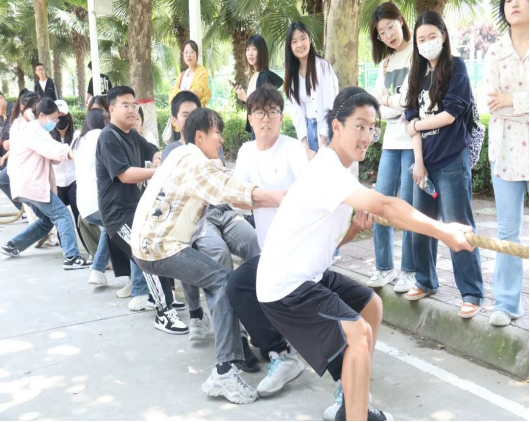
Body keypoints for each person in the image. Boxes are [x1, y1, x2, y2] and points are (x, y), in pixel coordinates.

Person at [256, 86, 475, 422]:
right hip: (285, 286)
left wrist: (355, 230)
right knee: (357, 333)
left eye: (372, 128)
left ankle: (350, 402)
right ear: (337, 126)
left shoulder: (339, 172)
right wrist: (444, 231)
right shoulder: (326, 170)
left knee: (371, 306)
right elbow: (387, 205)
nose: (367, 136)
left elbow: (329, 243)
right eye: (359, 126)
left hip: (308, 274)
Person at [131, 107, 286, 405]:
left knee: (213, 276)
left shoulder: (180, 154)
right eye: (216, 132)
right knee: (223, 281)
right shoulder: (196, 163)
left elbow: (222, 179)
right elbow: (228, 188)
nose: (221, 138)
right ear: (199, 136)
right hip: (162, 247)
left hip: (149, 246)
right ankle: (225, 370)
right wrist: (277, 197)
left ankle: (225, 348)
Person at [162, 92, 262, 369]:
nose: (193, 121)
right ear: (176, 122)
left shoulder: (211, 145)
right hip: (200, 220)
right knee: (219, 256)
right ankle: (237, 338)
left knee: (255, 245)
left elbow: (225, 179)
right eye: (186, 115)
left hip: (225, 212)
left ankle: (262, 324)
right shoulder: (175, 152)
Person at [227, 85, 308, 397]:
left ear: (281, 117)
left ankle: (281, 352)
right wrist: (272, 197)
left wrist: (255, 196)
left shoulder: (292, 149)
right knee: (241, 287)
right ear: (250, 117)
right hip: (270, 249)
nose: (266, 119)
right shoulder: (247, 152)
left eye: (273, 112)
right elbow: (236, 199)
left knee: (243, 285)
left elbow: (303, 195)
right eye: (259, 112)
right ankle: (278, 350)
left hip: (296, 247)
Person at [404, 12, 484, 319]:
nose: (426, 43)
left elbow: (450, 115)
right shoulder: (417, 75)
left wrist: (416, 125)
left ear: (443, 35)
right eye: (421, 39)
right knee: (421, 225)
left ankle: (471, 293)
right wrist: (418, 163)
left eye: (431, 37)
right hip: (424, 165)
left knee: (458, 226)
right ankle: (425, 281)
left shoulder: (456, 67)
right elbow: (410, 122)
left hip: (451, 161)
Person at [96, 86, 187, 335]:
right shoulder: (108, 137)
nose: (131, 110)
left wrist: (157, 159)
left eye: (134, 105)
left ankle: (164, 298)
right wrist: (158, 171)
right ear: (111, 109)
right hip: (117, 215)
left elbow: (153, 150)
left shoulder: (132, 135)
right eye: (125, 105)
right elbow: (125, 175)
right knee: (145, 253)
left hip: (137, 210)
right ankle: (164, 313)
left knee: (158, 249)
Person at [0, 98, 92, 270]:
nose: (56, 122)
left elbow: (51, 155)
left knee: (46, 220)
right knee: (62, 214)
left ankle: (13, 245)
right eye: (53, 118)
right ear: (41, 115)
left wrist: (66, 153)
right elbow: (51, 148)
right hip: (32, 184)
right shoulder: (35, 130)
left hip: (24, 185)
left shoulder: (35, 130)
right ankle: (71, 257)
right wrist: (72, 153)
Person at [484, 0, 529, 327]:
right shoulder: (494, 51)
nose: (512, 3)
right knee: (507, 231)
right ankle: (506, 303)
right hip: (505, 152)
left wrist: (513, 100)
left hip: (514, 138)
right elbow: (492, 103)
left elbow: (504, 102)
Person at [367, 3, 416, 293]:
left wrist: (390, 102)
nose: (388, 35)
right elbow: (378, 108)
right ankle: (384, 267)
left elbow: (411, 100)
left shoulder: (418, 53)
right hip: (390, 143)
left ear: (401, 20)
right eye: (382, 33)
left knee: (408, 207)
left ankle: (410, 271)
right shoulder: (385, 64)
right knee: (380, 203)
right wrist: (392, 105)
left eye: (390, 27)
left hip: (413, 142)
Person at [284, 22, 339, 159]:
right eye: (294, 41)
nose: (299, 45)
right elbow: (296, 112)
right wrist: (306, 147)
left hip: (326, 131)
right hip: (307, 132)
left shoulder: (323, 66)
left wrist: (323, 141)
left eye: (303, 38)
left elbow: (330, 105)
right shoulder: (292, 74)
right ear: (290, 46)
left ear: (310, 39)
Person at [73, 109, 111, 286]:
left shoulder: (79, 140)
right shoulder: (99, 135)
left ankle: (98, 269)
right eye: (106, 119)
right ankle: (99, 269)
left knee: (109, 229)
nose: (109, 121)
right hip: (98, 201)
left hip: (84, 204)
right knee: (118, 224)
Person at [51, 100, 87, 252]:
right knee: (61, 217)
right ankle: (68, 250)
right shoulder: (48, 137)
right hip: (57, 182)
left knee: (79, 215)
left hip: (74, 180)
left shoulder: (77, 135)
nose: (60, 120)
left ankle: (89, 247)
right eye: (57, 117)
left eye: (63, 116)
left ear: (69, 116)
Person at [235, 35, 284, 139]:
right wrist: (243, 97)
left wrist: (245, 98)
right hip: (255, 127)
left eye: (254, 49)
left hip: (263, 128)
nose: (250, 53)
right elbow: (253, 104)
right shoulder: (253, 75)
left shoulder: (263, 76)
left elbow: (265, 106)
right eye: (247, 49)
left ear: (261, 52)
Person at [0, 90, 37, 214]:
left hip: (25, 156)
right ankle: (25, 209)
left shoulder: (15, 113)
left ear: (1, 98)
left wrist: (8, 144)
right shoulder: (5, 120)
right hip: (11, 157)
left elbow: (20, 139)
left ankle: (29, 209)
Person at [169, 40, 211, 107]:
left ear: (197, 54)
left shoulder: (202, 73)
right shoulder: (182, 75)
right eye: (186, 52)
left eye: (191, 52)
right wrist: (187, 92)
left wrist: (178, 94)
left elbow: (194, 96)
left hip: (195, 112)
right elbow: (171, 94)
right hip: (181, 112)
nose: (188, 55)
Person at [0, 91, 13, 170]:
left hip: (17, 157)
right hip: (4, 158)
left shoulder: (15, 111)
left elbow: (20, 141)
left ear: (1, 98)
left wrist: (4, 157)